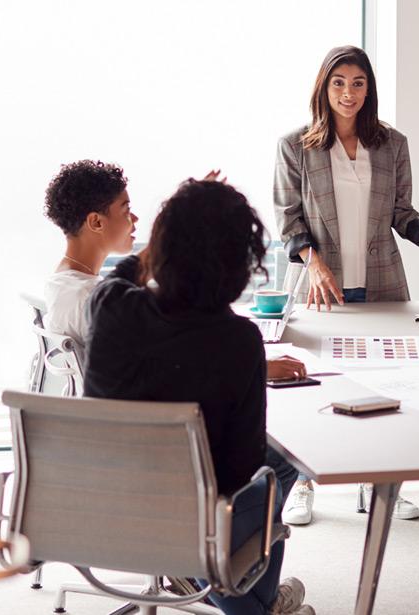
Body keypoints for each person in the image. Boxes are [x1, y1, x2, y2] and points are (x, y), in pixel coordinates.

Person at [273, 45, 419, 524]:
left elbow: (402, 214)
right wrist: (314, 263)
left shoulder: (392, 144)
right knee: (314, 388)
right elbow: (288, 220)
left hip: (381, 283)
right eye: (339, 83)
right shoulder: (295, 146)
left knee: (388, 386)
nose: (348, 93)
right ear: (324, 88)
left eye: (358, 83)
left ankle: (383, 486)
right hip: (320, 287)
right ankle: (303, 485)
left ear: (369, 89)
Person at [81, 179, 314, 615]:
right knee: (278, 464)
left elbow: (127, 273)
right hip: (192, 520)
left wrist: (171, 233)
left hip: (103, 505)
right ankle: (249, 601)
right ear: (242, 262)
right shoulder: (239, 341)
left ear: (160, 250)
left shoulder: (110, 303)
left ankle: (223, 586)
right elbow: (241, 469)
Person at [41, 159, 306, 379]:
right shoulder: (89, 299)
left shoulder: (66, 284)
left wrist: (182, 213)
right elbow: (179, 358)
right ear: (96, 222)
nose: (134, 219)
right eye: (126, 209)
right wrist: (255, 366)